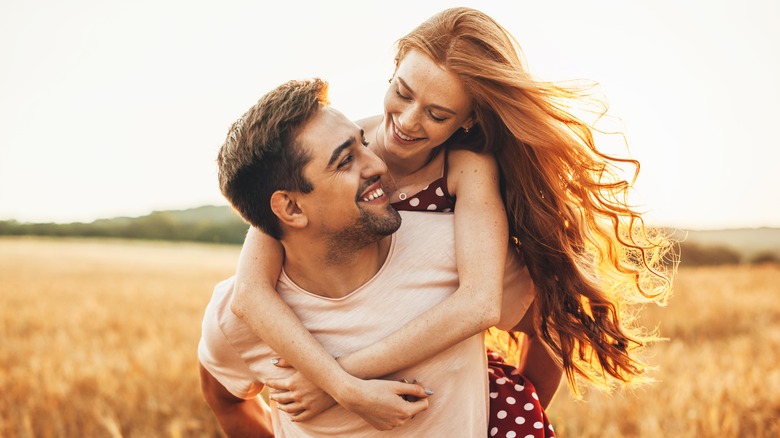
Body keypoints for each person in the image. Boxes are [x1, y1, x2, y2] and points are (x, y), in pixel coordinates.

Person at [230, 6, 674, 436]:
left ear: (469, 119)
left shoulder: (467, 168)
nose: (406, 121)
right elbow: (249, 291)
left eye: (437, 114)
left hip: (461, 393)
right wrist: (343, 387)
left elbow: (481, 304)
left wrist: (335, 381)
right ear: (394, 67)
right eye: (402, 92)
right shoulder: (337, 154)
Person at [198, 78, 542, 436]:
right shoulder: (237, 314)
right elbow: (225, 399)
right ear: (289, 207)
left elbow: (546, 329)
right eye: (346, 160)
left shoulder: (458, 251)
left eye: (364, 141)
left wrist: (515, 419)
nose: (379, 164)